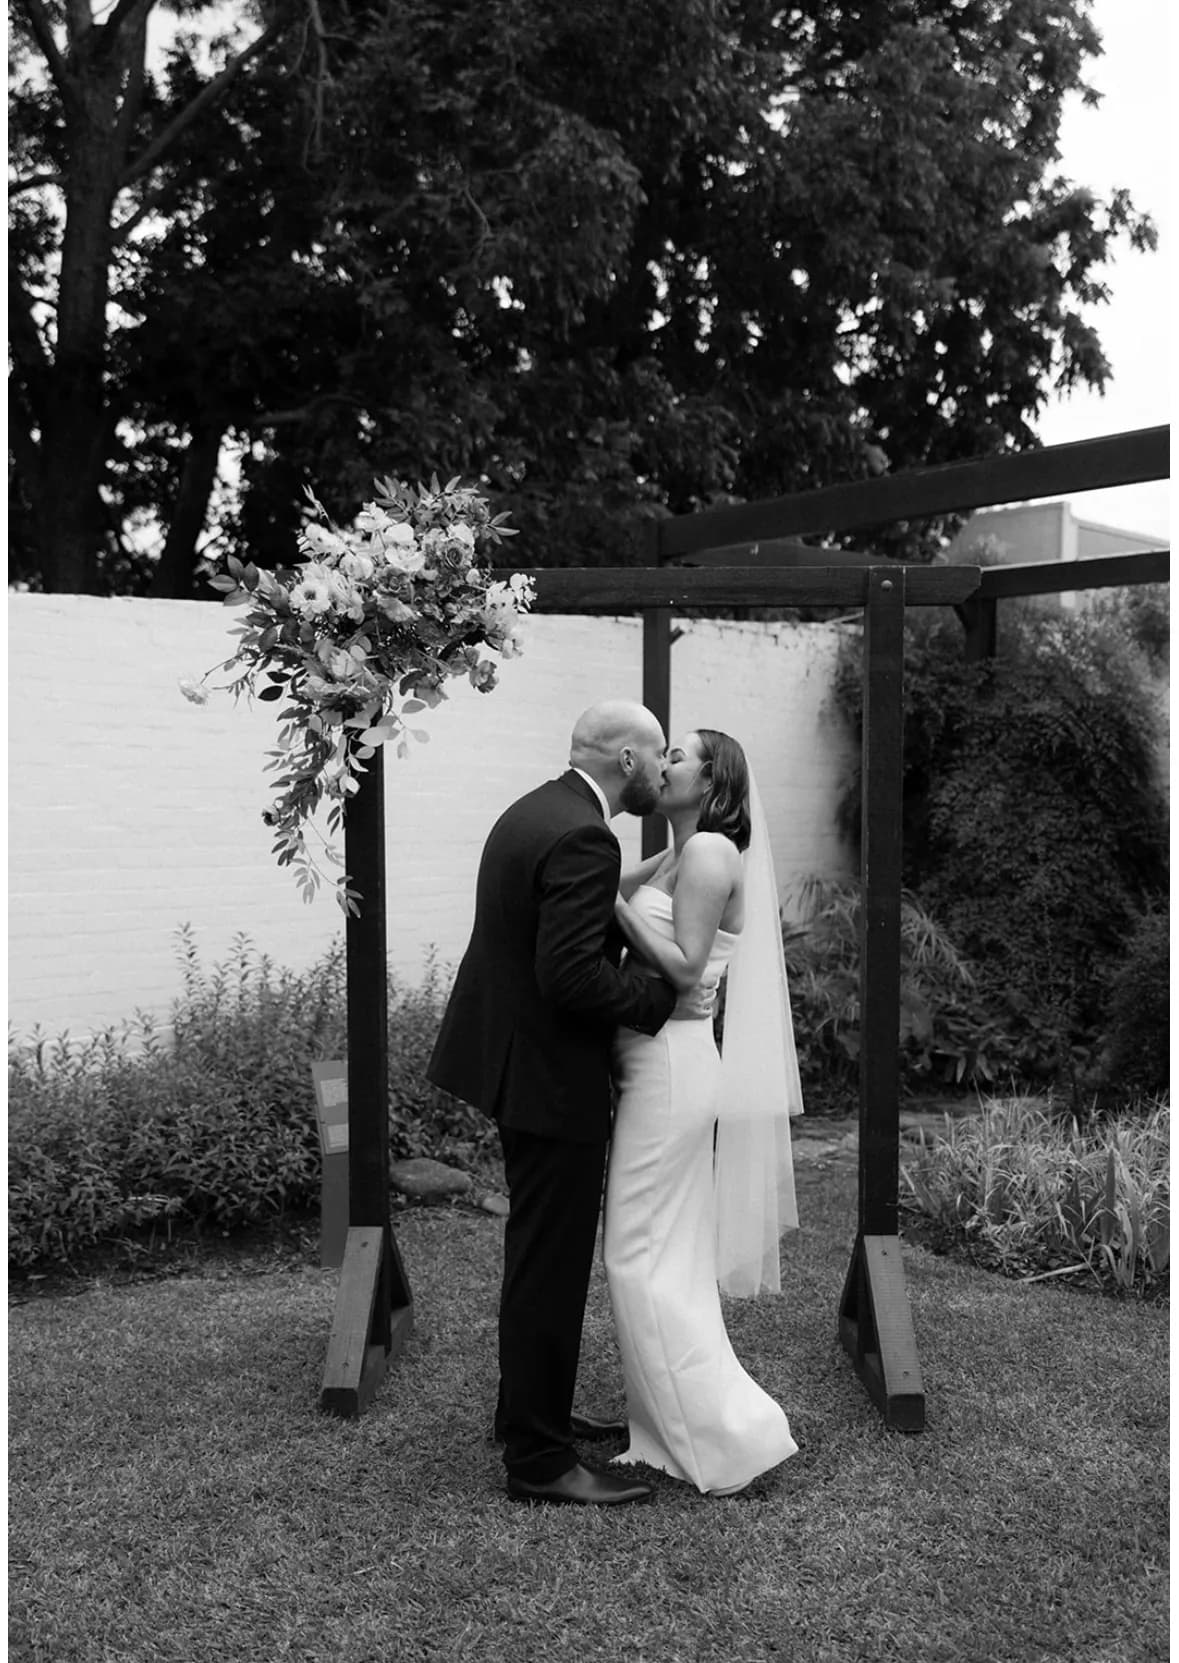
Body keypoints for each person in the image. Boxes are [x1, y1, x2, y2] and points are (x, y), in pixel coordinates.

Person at [427, 700, 678, 1507]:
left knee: (536, 1252)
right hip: (546, 1076)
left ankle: (524, 1413)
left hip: (511, 1061)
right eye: (656, 755)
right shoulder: (584, 833)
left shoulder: (535, 807)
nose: (661, 769)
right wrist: (657, 997)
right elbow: (569, 974)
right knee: (551, 1264)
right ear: (629, 760)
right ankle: (539, 1459)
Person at [605, 728, 803, 1496]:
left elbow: (686, 965)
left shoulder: (713, 853)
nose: (666, 762)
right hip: (655, 1061)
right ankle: (662, 1429)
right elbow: (624, 893)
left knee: (633, 1248)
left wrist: (602, 902)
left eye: (680, 754)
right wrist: (611, 884)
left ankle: (702, 1435)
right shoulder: (683, 851)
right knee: (665, 1251)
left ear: (714, 781)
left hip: (670, 1063)